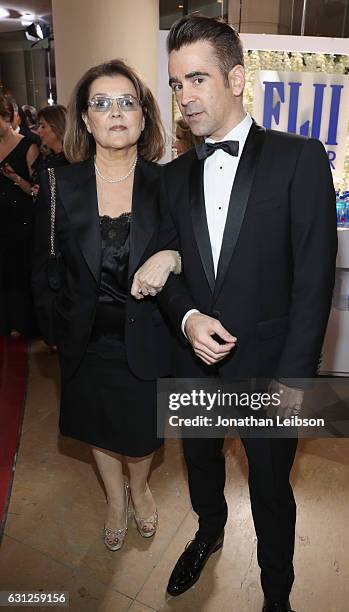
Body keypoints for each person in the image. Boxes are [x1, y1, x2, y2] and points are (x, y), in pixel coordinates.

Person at [143, 15, 337, 612]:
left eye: (197, 79)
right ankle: (207, 534)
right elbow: (167, 270)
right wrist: (185, 319)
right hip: (194, 364)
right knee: (199, 462)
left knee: (272, 491)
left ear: (236, 78)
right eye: (176, 84)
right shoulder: (172, 177)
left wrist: (293, 381)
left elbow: (313, 282)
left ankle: (276, 592)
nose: (186, 96)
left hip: (271, 369)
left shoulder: (299, 159)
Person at [32, 59, 180, 551]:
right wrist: (54, 330)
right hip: (85, 338)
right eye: (102, 103)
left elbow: (195, 257)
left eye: (126, 102)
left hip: (147, 336)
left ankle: (140, 489)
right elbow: (42, 266)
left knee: (140, 434)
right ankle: (115, 499)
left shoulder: (169, 185)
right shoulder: (58, 185)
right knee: (98, 426)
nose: (115, 112)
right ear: (87, 119)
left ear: (143, 116)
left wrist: (172, 255)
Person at [0, 94, 39, 337]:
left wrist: (13, 177)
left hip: (21, 218)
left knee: (19, 272)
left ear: (7, 117)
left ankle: (22, 323)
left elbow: (33, 190)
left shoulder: (29, 144)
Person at [31, 105, 69, 191]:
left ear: (58, 127)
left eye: (43, 126)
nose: (38, 130)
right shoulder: (46, 157)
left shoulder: (71, 161)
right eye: (39, 126)